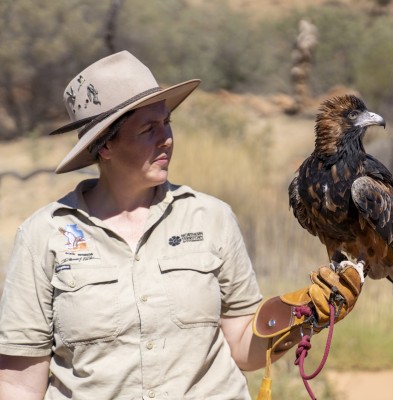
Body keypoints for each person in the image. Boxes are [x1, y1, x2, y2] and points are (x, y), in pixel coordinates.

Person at [0, 51, 362, 400]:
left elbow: (242, 347)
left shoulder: (211, 218)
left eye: (167, 123)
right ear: (105, 146)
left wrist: (304, 316)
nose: (167, 138)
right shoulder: (44, 235)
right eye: (148, 129)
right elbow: (18, 386)